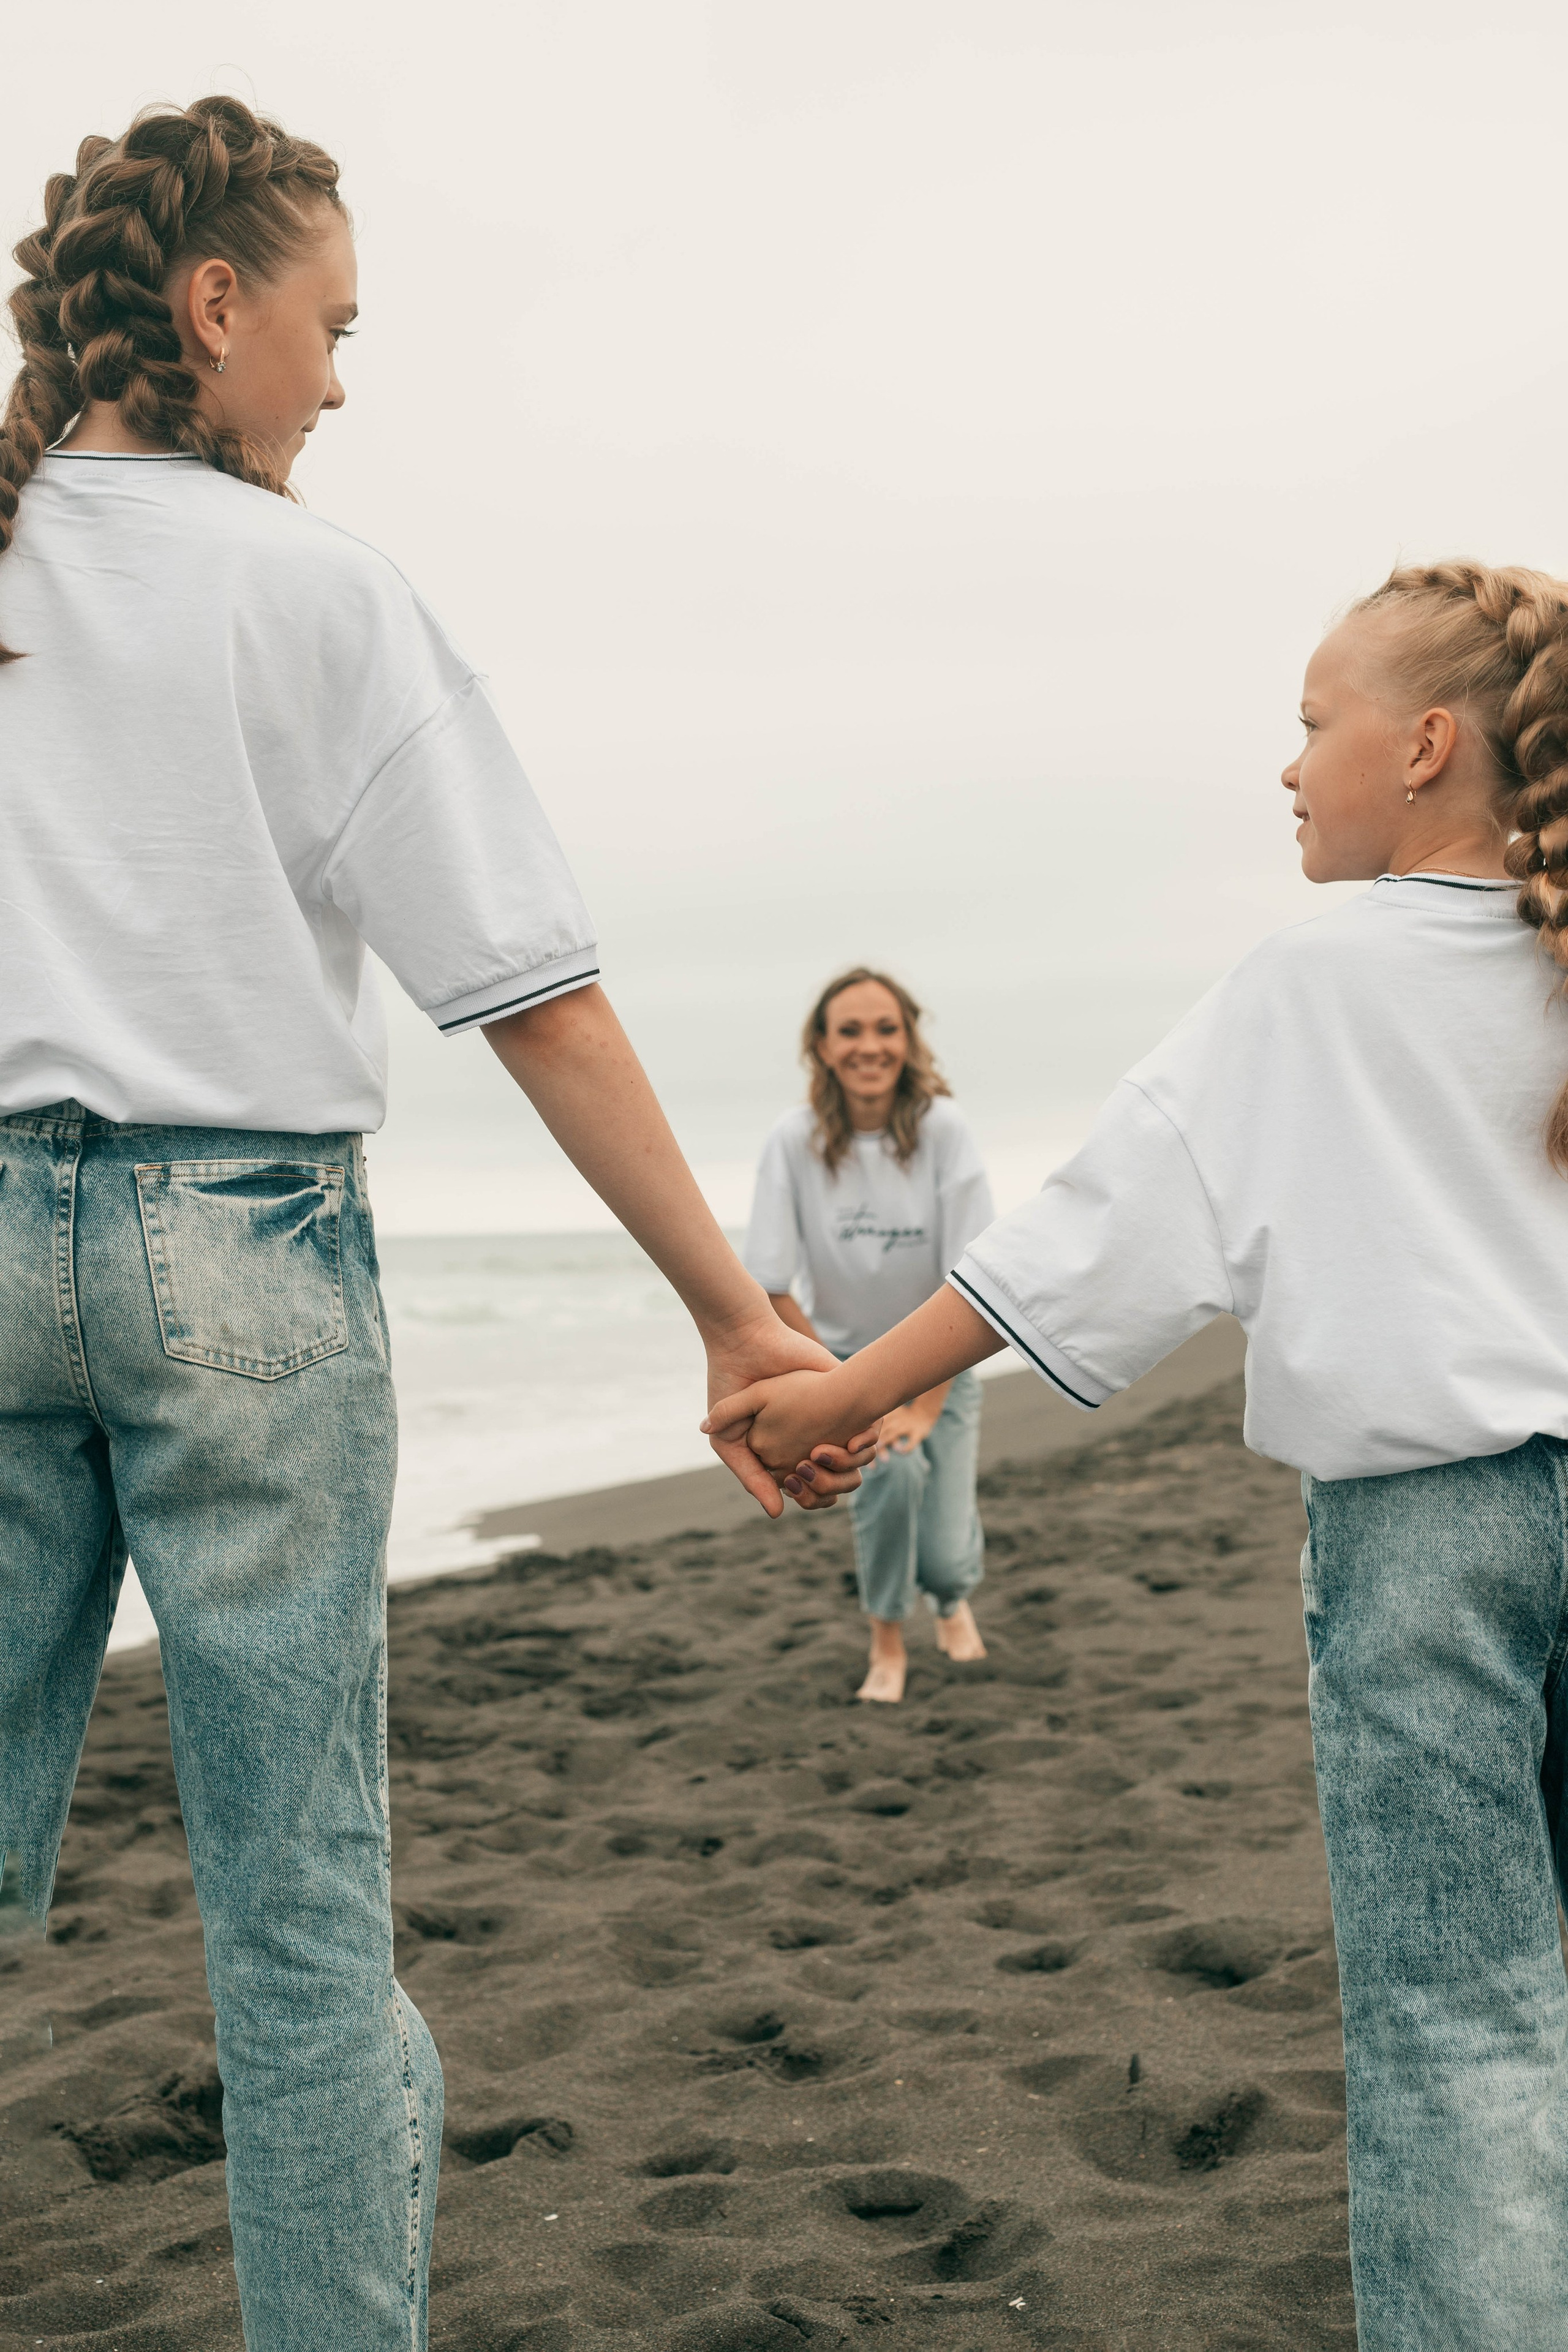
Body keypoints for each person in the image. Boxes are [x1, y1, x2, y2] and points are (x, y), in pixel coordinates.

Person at [0, 97, 869, 2352]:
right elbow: (529, 995)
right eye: (331, 325)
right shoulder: (316, 590)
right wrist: (729, 1319)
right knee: (296, 1928)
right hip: (242, 1263)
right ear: (214, 309)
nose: (339, 379)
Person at [707, 561, 1568, 2350]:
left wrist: (845, 1390)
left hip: (1429, 1538)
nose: (1285, 768)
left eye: (1310, 723)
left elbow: (1095, 1238)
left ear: (1421, 746)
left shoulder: (1316, 975)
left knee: (1459, 2007)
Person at [742, 968, 995, 1702]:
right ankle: (886, 1640)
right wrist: (842, 1390)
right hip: (841, 1360)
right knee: (887, 1483)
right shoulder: (793, 1141)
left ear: (908, 1040)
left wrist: (918, 1404)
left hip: (942, 1358)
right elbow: (771, 1280)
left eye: (886, 1028)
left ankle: (950, 1600)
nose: (869, 1046)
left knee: (947, 1560)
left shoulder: (945, 1132)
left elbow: (974, 1275)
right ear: (821, 1046)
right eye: (849, 1030)